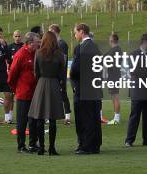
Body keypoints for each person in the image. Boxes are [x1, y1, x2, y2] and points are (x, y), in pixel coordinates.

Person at [29, 31, 65, 155]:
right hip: (54, 84)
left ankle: (41, 147)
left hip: (41, 84)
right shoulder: (59, 54)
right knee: (52, 119)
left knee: (39, 117)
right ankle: (52, 148)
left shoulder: (38, 53)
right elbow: (62, 73)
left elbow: (36, 72)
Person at [70, 23, 102, 154]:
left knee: (84, 117)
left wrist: (73, 79)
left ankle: (85, 145)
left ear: (81, 31)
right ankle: (94, 144)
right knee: (93, 117)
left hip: (83, 87)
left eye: (75, 32)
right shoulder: (95, 46)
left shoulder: (82, 47)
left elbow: (76, 69)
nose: (75, 35)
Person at [8, 32, 40, 153]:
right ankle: (21, 146)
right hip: (23, 93)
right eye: (37, 42)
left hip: (34, 93)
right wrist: (16, 89)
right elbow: (12, 74)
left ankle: (33, 144)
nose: (39, 44)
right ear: (30, 43)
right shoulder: (20, 54)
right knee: (22, 121)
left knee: (34, 120)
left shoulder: (36, 53)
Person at [125, 33, 147, 147]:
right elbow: (134, 71)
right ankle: (129, 140)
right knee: (135, 115)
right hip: (138, 90)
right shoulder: (133, 55)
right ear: (145, 42)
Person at [49, 24, 71, 125]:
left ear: (54, 31)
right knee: (54, 94)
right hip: (55, 73)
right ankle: (54, 115)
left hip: (60, 74)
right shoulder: (55, 43)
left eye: (50, 32)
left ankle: (67, 116)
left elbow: (63, 60)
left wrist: (61, 74)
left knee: (62, 94)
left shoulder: (61, 44)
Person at [104, 33, 122, 125]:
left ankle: (117, 118)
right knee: (113, 96)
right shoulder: (116, 50)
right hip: (114, 75)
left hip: (113, 76)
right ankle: (116, 117)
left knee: (115, 96)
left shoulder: (115, 51)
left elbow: (105, 59)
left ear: (111, 40)